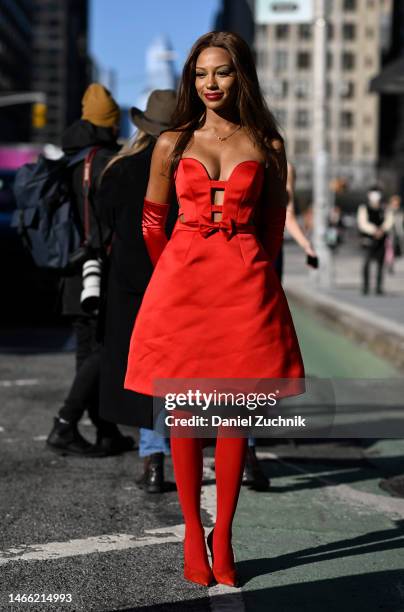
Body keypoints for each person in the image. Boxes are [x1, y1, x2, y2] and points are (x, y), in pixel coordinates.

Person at [123, 31, 305, 588]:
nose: (210, 83)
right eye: (201, 73)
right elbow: (153, 220)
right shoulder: (171, 142)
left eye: (221, 72)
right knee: (184, 417)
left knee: (231, 419)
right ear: (190, 79)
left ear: (239, 74)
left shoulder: (267, 144)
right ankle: (189, 530)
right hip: (183, 287)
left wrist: (254, 272)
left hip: (245, 288)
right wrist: (175, 269)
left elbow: (272, 227)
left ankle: (222, 532)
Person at [96, 90, 179, 492]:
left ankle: (151, 460)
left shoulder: (119, 169)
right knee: (174, 372)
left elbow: (105, 221)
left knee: (144, 371)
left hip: (130, 281)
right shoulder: (187, 168)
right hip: (176, 278)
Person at [46, 83, 134, 457]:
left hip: (71, 269)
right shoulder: (108, 164)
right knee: (105, 349)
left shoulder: (68, 160)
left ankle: (105, 430)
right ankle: (65, 424)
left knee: (88, 350)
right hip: (100, 268)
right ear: (110, 125)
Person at [357, 185, 394, 295]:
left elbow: (389, 220)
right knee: (367, 263)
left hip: (382, 239)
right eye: (373, 193)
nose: (375, 196)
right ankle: (366, 286)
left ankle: (378, 287)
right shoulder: (364, 207)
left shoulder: (385, 207)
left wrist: (382, 230)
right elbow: (362, 223)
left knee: (380, 264)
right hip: (368, 239)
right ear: (369, 195)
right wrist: (374, 230)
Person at [385, 194, 403, 274]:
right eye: (394, 201)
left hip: (399, 233)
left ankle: (391, 263)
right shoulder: (388, 210)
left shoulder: (400, 211)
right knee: (390, 250)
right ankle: (389, 265)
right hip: (389, 233)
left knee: (396, 251)